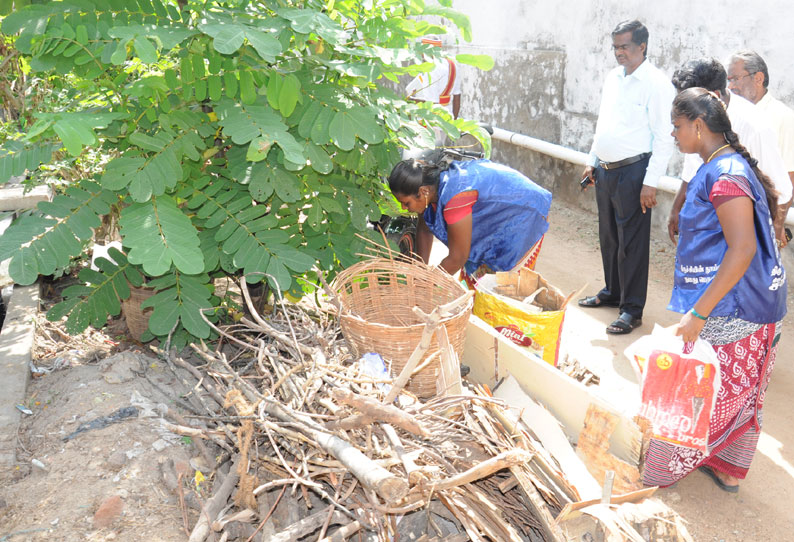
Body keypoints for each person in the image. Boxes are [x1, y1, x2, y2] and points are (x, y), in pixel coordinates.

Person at [642, 87, 786, 492]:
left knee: (701, 388)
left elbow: (742, 250)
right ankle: (725, 465)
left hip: (739, 304)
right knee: (736, 389)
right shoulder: (721, 167)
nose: (673, 134)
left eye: (677, 126)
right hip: (747, 297)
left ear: (699, 126)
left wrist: (699, 313)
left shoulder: (726, 177)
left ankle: (659, 473)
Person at [578, 20, 675, 335]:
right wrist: (592, 160)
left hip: (635, 172)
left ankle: (632, 309)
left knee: (631, 243)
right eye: (616, 47)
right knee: (609, 237)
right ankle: (612, 292)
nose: (619, 52)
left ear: (642, 46)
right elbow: (603, 123)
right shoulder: (612, 78)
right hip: (605, 169)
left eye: (625, 46)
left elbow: (663, 137)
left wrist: (650, 182)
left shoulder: (657, 84)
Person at [667, 58, 792, 245]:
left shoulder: (755, 126)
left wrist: (769, 248)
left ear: (714, 96)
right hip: (704, 236)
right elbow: (691, 170)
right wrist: (676, 209)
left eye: (687, 105)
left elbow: (781, 192)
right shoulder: (693, 123)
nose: (682, 111)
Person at [387, 159, 551, 282]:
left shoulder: (455, 199)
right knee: (477, 281)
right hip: (499, 212)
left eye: (406, 203)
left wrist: (425, 284)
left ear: (423, 192)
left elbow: (457, 258)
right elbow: (424, 229)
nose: (403, 208)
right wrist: (420, 271)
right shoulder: (430, 191)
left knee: (506, 287)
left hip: (524, 212)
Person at [728, 51, 794, 246]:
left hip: (763, 218)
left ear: (758, 78)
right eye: (728, 80)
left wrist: (775, 229)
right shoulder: (731, 113)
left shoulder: (783, 117)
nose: (731, 86)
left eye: (736, 78)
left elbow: (789, 178)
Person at [405, 35, 462, 147]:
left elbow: (431, 104)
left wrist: (410, 100)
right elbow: (457, 96)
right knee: (439, 154)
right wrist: (453, 122)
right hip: (446, 120)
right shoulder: (453, 65)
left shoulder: (430, 68)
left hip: (430, 123)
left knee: (426, 157)